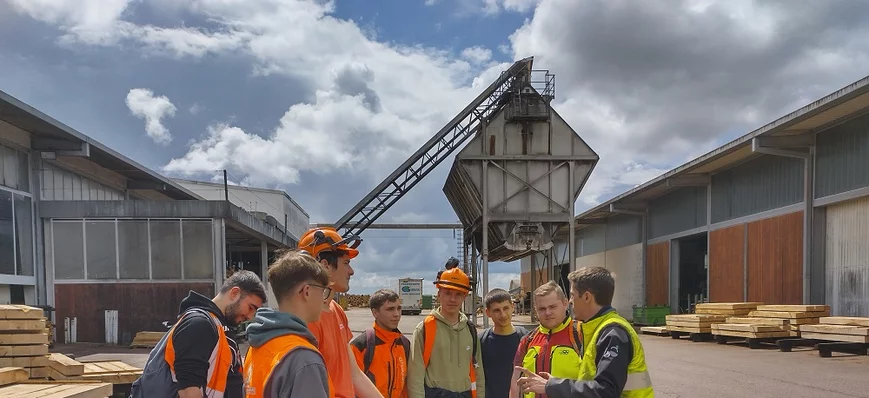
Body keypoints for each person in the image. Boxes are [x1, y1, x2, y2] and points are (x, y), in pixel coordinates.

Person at [516, 267, 655, 397]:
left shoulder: (612, 333)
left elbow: (606, 391)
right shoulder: (598, 329)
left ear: (587, 297)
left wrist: (551, 385)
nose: (570, 301)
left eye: (572, 295)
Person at [130, 270, 267, 398]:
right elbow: (189, 388)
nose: (250, 316)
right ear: (234, 293)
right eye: (250, 307)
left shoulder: (218, 327)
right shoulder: (199, 324)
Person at [300, 227, 384, 398]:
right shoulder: (306, 320)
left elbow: (355, 375)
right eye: (346, 263)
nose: (351, 271)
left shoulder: (336, 310)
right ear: (325, 266)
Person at [243, 250, 335, 397]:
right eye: (323, 291)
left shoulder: (257, 345)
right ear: (307, 291)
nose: (324, 299)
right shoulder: (304, 360)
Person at [407, 257, 486, 398]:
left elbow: (478, 371)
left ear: (464, 297)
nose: (452, 299)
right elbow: (415, 375)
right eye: (448, 293)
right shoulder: (425, 329)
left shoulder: (470, 330)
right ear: (439, 294)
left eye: (458, 294)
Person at [510, 281, 582, 398]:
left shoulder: (581, 334)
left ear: (565, 303)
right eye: (542, 309)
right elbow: (515, 381)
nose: (548, 313)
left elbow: (596, 384)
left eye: (553, 307)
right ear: (535, 309)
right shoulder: (527, 340)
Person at [351, 288, 410, 398]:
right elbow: (350, 386)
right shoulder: (361, 346)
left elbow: (407, 386)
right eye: (390, 309)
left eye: (399, 308)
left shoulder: (404, 344)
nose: (396, 314)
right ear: (375, 313)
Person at [480, 288, 529, 398]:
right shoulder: (481, 341)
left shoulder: (526, 338)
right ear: (488, 312)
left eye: (506, 308)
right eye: (496, 310)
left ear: (512, 307)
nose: (503, 315)